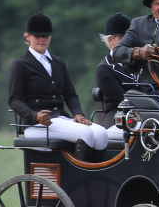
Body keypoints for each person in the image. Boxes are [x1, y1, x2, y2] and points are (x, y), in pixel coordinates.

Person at [8, 13, 108, 161]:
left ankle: (95, 177)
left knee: (101, 133)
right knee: (86, 133)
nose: (42, 39)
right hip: (36, 125)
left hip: (60, 118)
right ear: (28, 37)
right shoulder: (20, 65)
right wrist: (35, 116)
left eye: (46, 36)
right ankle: (78, 177)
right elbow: (14, 100)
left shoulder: (58, 62)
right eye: (37, 36)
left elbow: (70, 94)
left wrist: (78, 113)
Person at [95, 13, 137, 140]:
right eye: (122, 38)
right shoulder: (104, 69)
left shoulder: (140, 63)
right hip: (119, 117)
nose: (127, 43)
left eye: (129, 38)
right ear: (110, 40)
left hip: (145, 114)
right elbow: (122, 100)